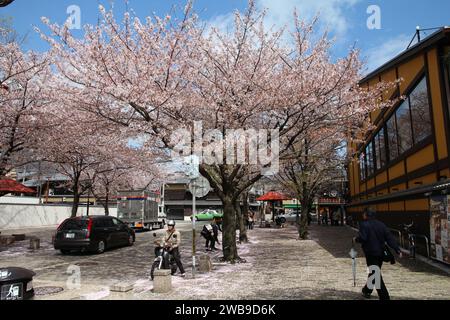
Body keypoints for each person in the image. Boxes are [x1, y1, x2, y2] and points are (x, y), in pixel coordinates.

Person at [355, 208, 402, 300]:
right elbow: (389, 238)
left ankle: (384, 297)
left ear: (366, 214)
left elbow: (363, 238)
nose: (362, 215)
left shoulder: (364, 224)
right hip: (380, 253)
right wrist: (397, 249)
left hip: (371, 253)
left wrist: (356, 239)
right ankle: (367, 290)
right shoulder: (381, 224)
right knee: (374, 272)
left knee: (375, 274)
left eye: (363, 214)